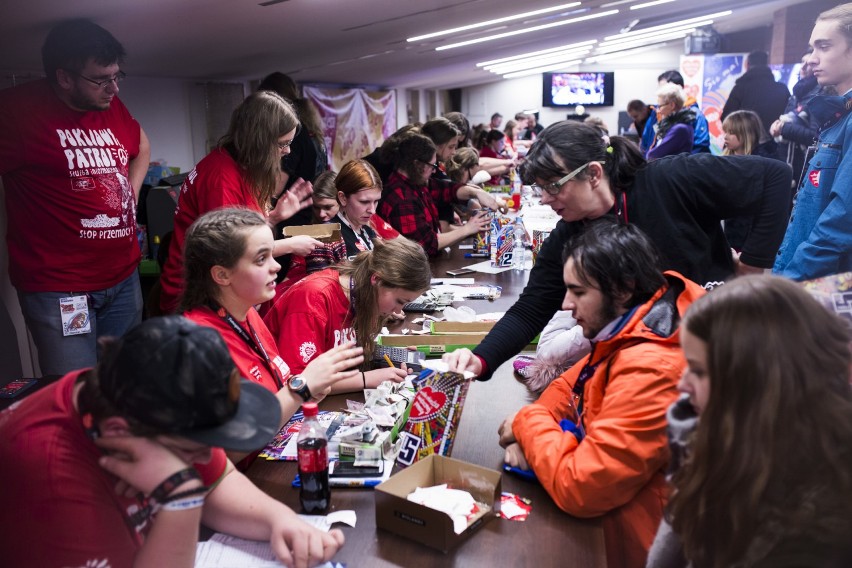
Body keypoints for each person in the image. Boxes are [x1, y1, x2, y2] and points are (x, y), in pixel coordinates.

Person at [445, 121, 792, 380]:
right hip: (645, 358)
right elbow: (530, 309)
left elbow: (775, 179)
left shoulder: (673, 177)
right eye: (540, 189)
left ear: (594, 174)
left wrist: (751, 267)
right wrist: (481, 359)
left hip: (714, 339)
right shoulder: (569, 233)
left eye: (554, 186)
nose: (546, 198)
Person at [0, 315, 345, 568]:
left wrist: (278, 519)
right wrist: (181, 496)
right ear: (120, 431)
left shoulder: (136, 398)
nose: (202, 456)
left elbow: (217, 477)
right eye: (190, 450)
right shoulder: (44, 471)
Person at [499, 220, 705, 568]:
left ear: (622, 288)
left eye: (578, 292)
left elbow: (582, 487)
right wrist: (539, 430)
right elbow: (567, 387)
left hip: (637, 545)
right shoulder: (637, 321)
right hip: (616, 525)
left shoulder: (652, 368)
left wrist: (526, 423)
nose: (566, 305)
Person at [647, 275, 852, 568]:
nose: (682, 385)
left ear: (757, 381)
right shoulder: (724, 440)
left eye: (699, 371)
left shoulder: (816, 529)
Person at [0, 19, 151, 375]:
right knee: (76, 395)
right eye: (101, 79)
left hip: (123, 278)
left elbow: (141, 145)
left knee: (124, 385)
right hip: (60, 288)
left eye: (117, 76)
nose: (113, 88)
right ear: (64, 77)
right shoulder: (16, 113)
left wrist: (130, 191)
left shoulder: (110, 106)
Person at [180, 208, 364, 464]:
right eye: (260, 259)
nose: (276, 266)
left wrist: (311, 390)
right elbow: (226, 454)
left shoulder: (247, 313)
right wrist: (301, 389)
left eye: (271, 255)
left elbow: (277, 388)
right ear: (222, 275)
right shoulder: (197, 342)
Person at [159, 91, 319, 314]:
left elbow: (242, 230)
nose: (287, 151)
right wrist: (290, 245)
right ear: (260, 141)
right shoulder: (221, 177)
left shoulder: (239, 167)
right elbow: (232, 252)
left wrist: (274, 217)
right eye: (282, 144)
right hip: (197, 300)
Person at [264, 238, 431, 390]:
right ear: (376, 279)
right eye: (399, 301)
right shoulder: (313, 298)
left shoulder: (362, 295)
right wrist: (365, 379)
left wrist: (381, 355)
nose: (398, 311)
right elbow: (299, 383)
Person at [774, 3, 852, 280]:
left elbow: (840, 221)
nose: (812, 59)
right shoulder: (838, 116)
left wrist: (788, 283)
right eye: (812, 47)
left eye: (824, 46)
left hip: (827, 287)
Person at [378, 131, 491, 256]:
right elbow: (426, 244)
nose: (433, 171)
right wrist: (468, 229)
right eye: (432, 166)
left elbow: (446, 189)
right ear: (417, 164)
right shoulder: (402, 198)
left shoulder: (414, 182)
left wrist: (476, 193)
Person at [721, 110, 783, 251]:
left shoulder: (764, 163)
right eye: (725, 132)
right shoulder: (725, 160)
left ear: (745, 133)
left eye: (731, 132)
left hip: (755, 235)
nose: (725, 137)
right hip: (731, 232)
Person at [769, 49, 821, 186]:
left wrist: (784, 129)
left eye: (808, 63)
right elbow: (786, 122)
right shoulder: (796, 95)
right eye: (802, 62)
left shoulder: (818, 97)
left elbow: (815, 137)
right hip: (786, 161)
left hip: (803, 167)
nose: (803, 66)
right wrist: (776, 127)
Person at [331, 159, 398, 256]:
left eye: (376, 201)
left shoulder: (369, 231)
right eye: (364, 202)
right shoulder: (329, 237)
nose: (372, 210)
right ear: (343, 198)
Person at [721, 51, 791, 138]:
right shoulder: (782, 89)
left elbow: (726, 118)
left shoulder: (740, 89)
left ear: (747, 65)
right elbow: (789, 119)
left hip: (745, 145)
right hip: (774, 146)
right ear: (767, 64)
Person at [641, 70, 710, 154]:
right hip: (655, 165)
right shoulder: (656, 112)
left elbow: (700, 147)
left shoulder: (695, 115)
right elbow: (646, 142)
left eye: (664, 88)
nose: (661, 92)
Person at [646, 83, 695, 161]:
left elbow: (653, 155)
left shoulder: (680, 129)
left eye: (660, 106)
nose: (658, 110)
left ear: (672, 105)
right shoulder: (677, 126)